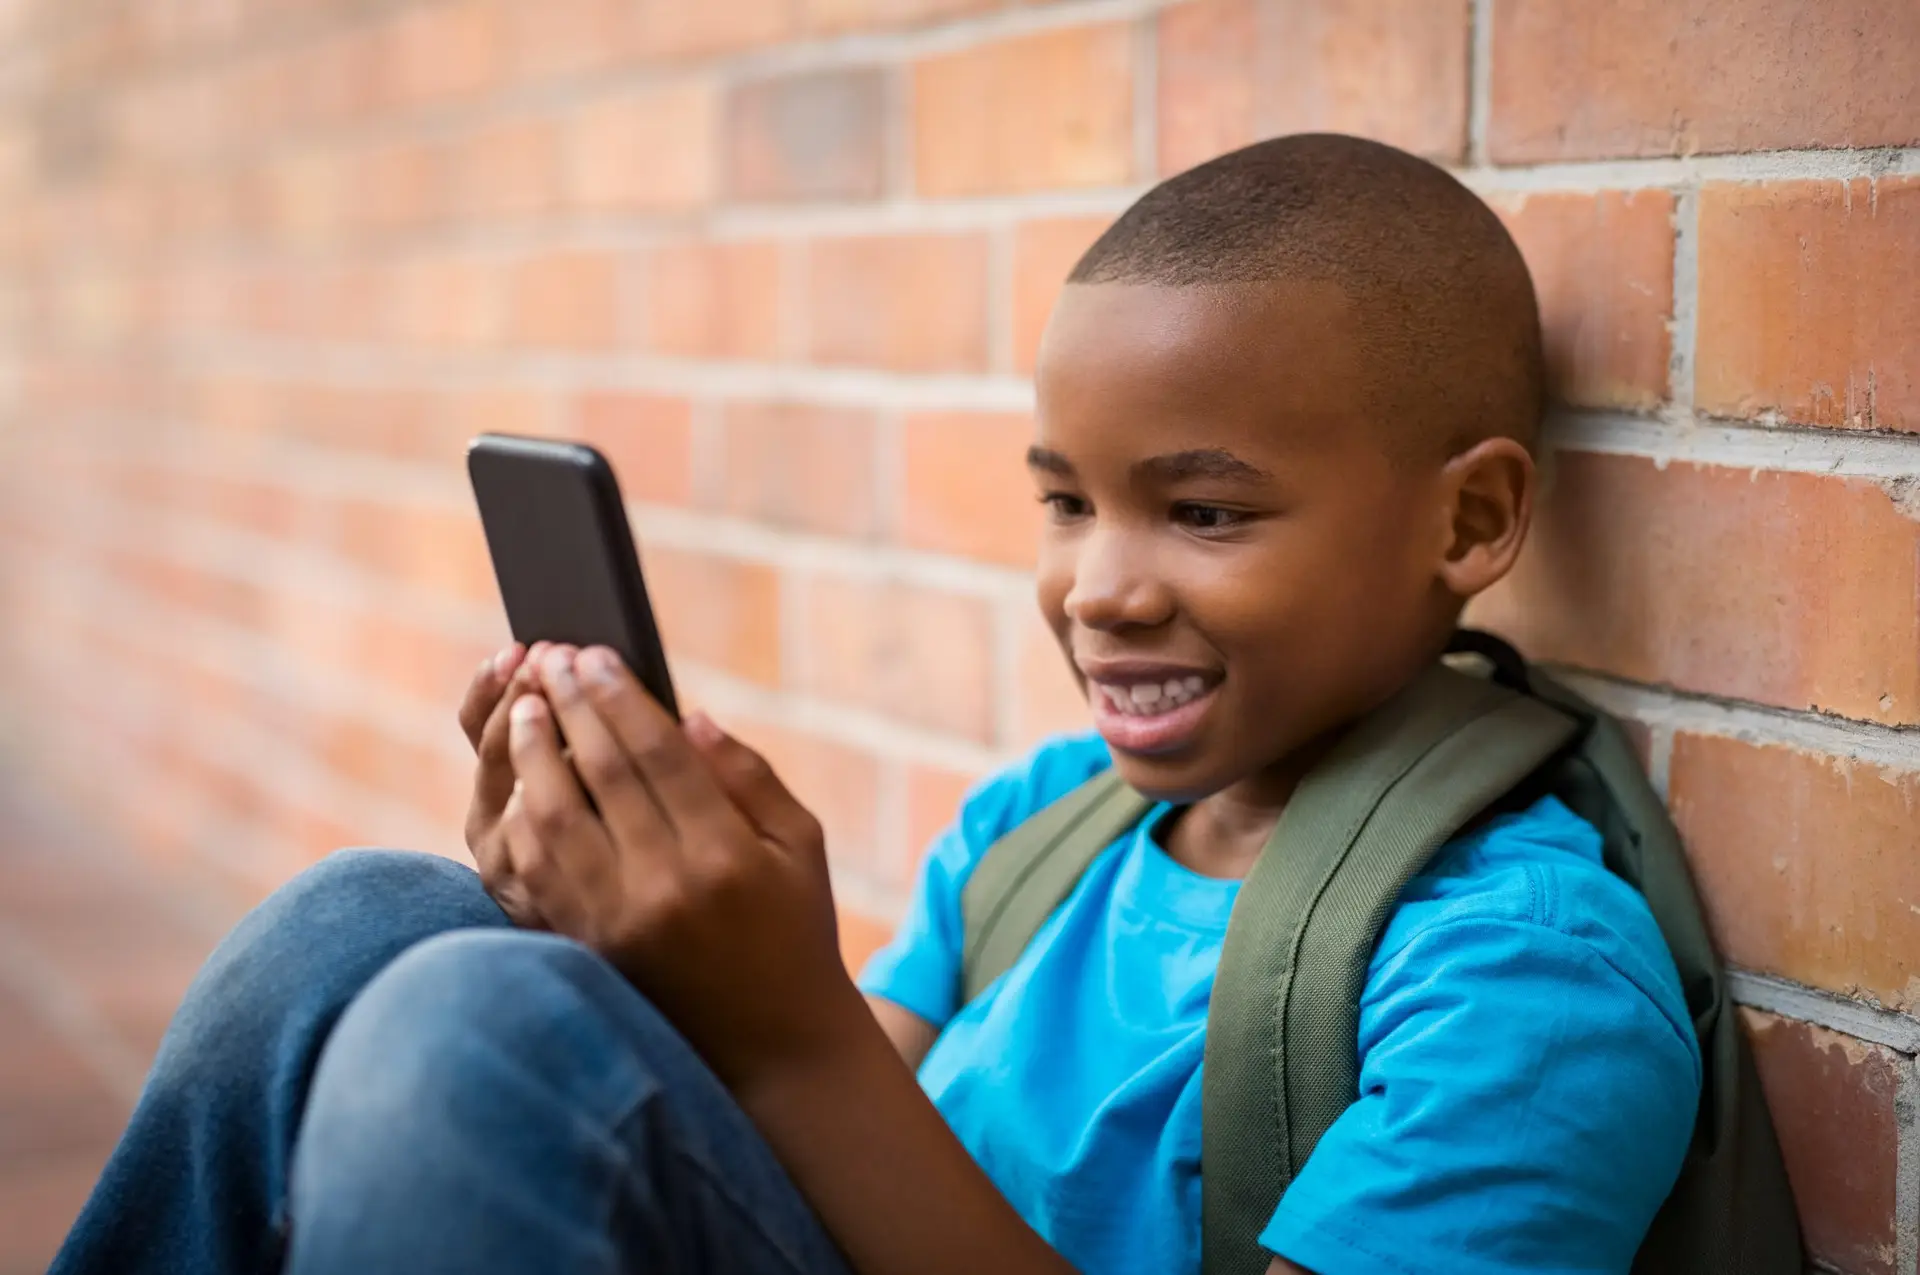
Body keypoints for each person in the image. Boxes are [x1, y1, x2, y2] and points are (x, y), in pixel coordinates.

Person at [51, 134, 1700, 1275]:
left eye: (1204, 511)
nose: (1102, 586)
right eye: (1069, 502)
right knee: (366, 921)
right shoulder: (1043, 830)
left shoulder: (1520, 975)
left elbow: (794, 1081)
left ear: (1471, 522)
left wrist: (783, 1022)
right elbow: (767, 1154)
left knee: (478, 1033)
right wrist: (649, 928)